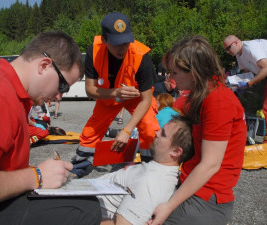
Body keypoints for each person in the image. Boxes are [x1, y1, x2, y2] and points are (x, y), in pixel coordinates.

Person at [0, 31, 101, 225]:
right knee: (83, 210)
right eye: (62, 86)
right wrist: (36, 175)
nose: (59, 97)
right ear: (44, 66)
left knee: (84, 204)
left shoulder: (8, 90)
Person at [147, 35, 247, 225]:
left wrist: (168, 207)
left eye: (174, 72)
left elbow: (210, 165)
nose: (170, 78)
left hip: (208, 197)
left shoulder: (218, 100)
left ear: (193, 73)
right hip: (194, 186)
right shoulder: (200, 95)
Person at [71, 12, 160, 177]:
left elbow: (147, 99)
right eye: (117, 43)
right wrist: (116, 92)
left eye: (126, 42)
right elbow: (90, 90)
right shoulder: (94, 51)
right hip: (109, 97)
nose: (123, 48)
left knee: (149, 127)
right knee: (91, 130)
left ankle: (151, 168)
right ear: (104, 40)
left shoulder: (142, 56)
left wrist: (126, 131)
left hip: (137, 99)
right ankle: (80, 165)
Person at [97, 116, 194, 225]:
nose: (157, 133)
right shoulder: (156, 171)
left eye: (163, 134)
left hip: (84, 211)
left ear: (176, 152)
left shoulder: (152, 182)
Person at [223, 35, 267, 130]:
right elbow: (248, 75)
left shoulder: (249, 49)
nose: (227, 51)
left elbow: (266, 68)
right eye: (225, 50)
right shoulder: (239, 55)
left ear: (236, 43)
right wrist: (239, 85)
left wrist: (249, 84)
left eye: (228, 48)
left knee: (266, 109)